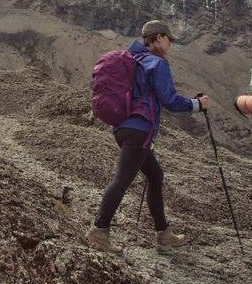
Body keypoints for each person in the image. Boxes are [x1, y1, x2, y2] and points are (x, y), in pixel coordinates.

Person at [86, 21, 207, 254]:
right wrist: (196, 105)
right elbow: (169, 99)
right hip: (139, 129)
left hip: (123, 128)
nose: (170, 43)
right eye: (169, 39)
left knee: (155, 175)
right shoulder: (156, 63)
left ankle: (163, 232)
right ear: (158, 37)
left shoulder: (133, 59)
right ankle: (99, 231)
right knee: (122, 180)